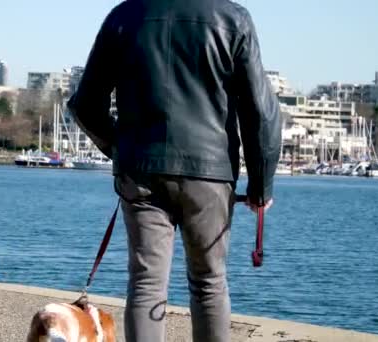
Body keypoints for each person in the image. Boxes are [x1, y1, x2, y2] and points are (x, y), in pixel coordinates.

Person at [67, 1, 281, 341]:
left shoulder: (123, 16)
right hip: (211, 173)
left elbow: (84, 104)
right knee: (209, 282)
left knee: (146, 283)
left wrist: (119, 148)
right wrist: (261, 184)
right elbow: (261, 111)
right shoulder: (233, 18)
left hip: (141, 170)